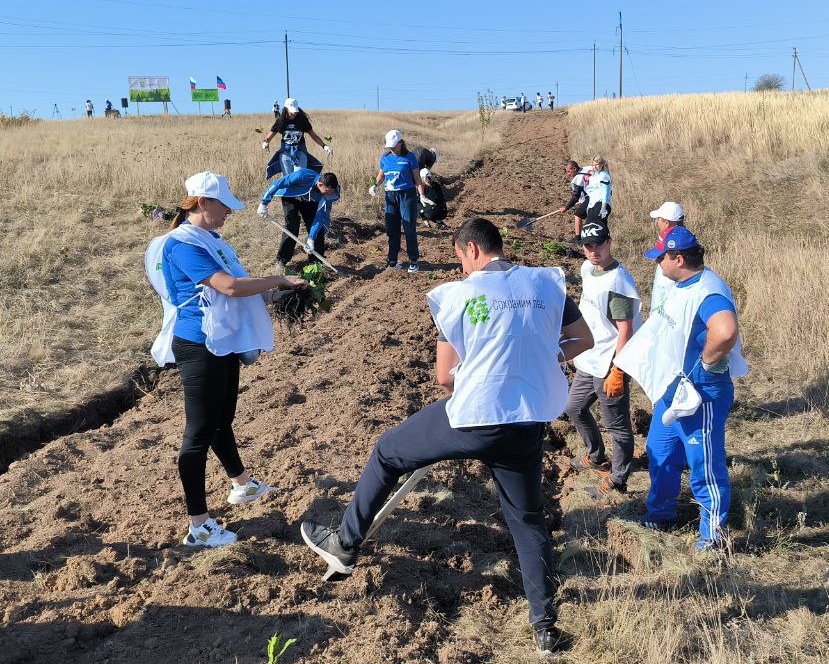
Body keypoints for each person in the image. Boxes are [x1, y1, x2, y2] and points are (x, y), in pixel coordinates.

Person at [300, 218, 594, 656]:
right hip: (528, 419)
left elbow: (444, 378)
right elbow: (582, 338)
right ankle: (544, 627)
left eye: (459, 258)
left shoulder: (458, 297)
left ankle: (344, 544)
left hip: (473, 419)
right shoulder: (545, 283)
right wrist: (548, 353)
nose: (460, 268)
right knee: (527, 521)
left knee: (387, 453)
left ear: (471, 249)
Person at [145, 172, 307, 548]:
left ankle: (241, 485)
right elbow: (229, 287)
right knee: (199, 432)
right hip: (199, 344)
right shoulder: (182, 244)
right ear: (203, 202)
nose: (229, 213)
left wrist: (275, 296)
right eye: (224, 206)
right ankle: (199, 525)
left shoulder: (213, 240)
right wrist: (278, 280)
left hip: (223, 341)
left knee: (222, 421)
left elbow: (239, 285)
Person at [613, 227, 748, 551]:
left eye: (661, 257)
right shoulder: (682, 283)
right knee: (660, 450)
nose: (657, 262)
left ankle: (713, 539)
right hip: (674, 386)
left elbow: (726, 330)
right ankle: (660, 514)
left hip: (700, 391)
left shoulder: (709, 291)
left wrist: (706, 362)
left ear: (678, 258)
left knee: (704, 464)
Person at [566, 222, 642, 496]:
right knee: (574, 407)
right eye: (588, 246)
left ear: (609, 242)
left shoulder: (617, 281)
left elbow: (626, 329)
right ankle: (597, 457)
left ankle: (618, 479)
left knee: (616, 425)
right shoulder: (587, 269)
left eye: (599, 244)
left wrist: (618, 371)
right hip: (590, 356)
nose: (594, 251)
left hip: (611, 361)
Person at [369, 129, 433, 273]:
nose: (391, 148)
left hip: (407, 195)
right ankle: (392, 260)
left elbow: (417, 179)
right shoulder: (385, 157)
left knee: (409, 227)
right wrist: (375, 186)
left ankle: (413, 260)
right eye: (389, 146)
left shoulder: (410, 157)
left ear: (401, 143)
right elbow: (381, 175)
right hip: (390, 196)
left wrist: (421, 195)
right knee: (392, 230)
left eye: (394, 145)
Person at [258, 168, 341, 266]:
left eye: (331, 191)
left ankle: (316, 263)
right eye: (328, 191)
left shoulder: (327, 195)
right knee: (292, 227)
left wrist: (311, 238)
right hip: (291, 197)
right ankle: (282, 260)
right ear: (320, 185)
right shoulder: (302, 176)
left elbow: (319, 218)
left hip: (310, 201)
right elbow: (279, 183)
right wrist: (264, 202)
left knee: (317, 231)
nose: (329, 193)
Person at [261, 98, 334, 176]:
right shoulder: (280, 122)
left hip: (300, 152)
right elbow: (268, 137)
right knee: (288, 179)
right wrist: (265, 143)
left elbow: (314, 136)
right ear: (286, 109)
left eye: (295, 111)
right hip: (285, 153)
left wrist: (324, 146)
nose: (294, 113)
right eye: (291, 111)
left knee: (298, 176)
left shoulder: (303, 121)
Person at [648, 201, 686, 315]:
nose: (657, 222)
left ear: (666, 223)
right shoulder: (686, 239)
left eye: (659, 219)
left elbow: (664, 288)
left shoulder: (669, 243)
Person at [559, 159, 593, 239]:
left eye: (569, 171)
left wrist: (566, 207)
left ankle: (577, 239)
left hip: (592, 196)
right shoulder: (588, 168)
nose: (568, 174)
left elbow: (575, 197)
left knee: (578, 215)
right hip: (603, 193)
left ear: (574, 169)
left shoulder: (577, 179)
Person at [583, 156, 613, 228]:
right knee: (595, 226)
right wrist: (589, 207)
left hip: (600, 203)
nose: (594, 167)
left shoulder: (604, 176)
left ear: (602, 164)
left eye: (596, 164)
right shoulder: (594, 175)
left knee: (596, 226)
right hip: (593, 204)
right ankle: (607, 239)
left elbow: (605, 192)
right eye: (593, 165)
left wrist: (603, 207)